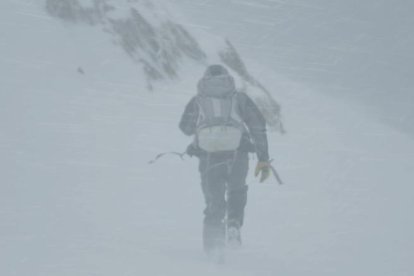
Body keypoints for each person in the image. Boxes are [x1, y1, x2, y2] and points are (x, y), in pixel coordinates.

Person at [179, 64, 271, 256]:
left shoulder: (198, 100)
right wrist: (263, 159)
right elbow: (258, 127)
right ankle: (234, 223)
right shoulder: (240, 98)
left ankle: (213, 248)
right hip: (238, 154)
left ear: (205, 80)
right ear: (228, 79)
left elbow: (185, 127)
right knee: (237, 190)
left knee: (214, 201)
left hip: (208, 158)